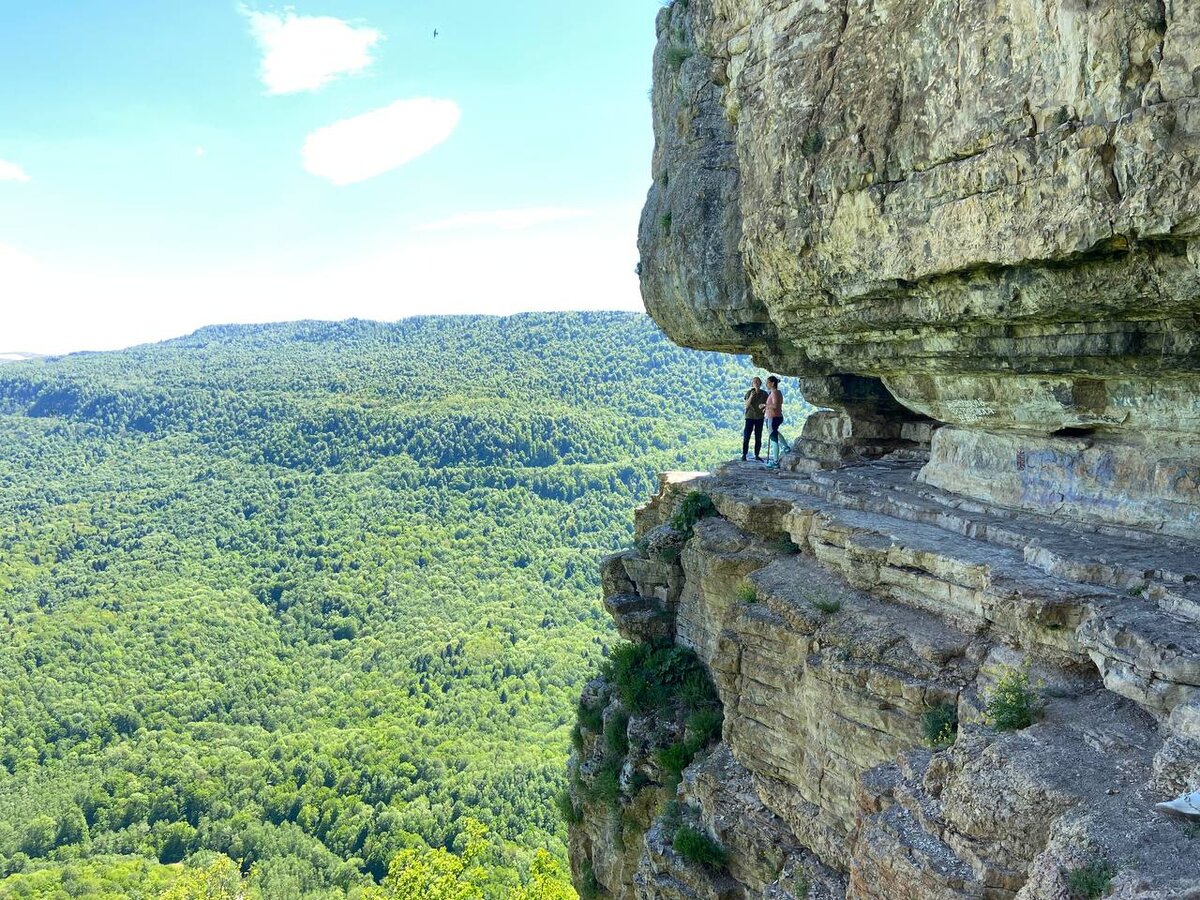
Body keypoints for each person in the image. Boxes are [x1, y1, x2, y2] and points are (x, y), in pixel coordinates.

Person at [742, 377, 768, 461]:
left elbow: (768, 404)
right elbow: (746, 405)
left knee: (758, 436)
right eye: (754, 381)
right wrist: (751, 396)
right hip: (750, 417)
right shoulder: (749, 392)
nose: (756, 383)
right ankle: (744, 455)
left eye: (757, 381)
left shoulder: (764, 394)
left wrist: (764, 407)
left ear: (760, 383)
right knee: (746, 436)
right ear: (752, 384)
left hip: (759, 417)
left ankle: (757, 455)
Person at [764, 376, 784, 464]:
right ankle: (786, 447)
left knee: (773, 438)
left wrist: (765, 406)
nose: (766, 384)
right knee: (775, 432)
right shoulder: (778, 392)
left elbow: (775, 406)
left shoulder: (774, 393)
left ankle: (775, 462)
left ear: (772, 383)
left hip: (772, 417)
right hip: (777, 416)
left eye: (767, 382)